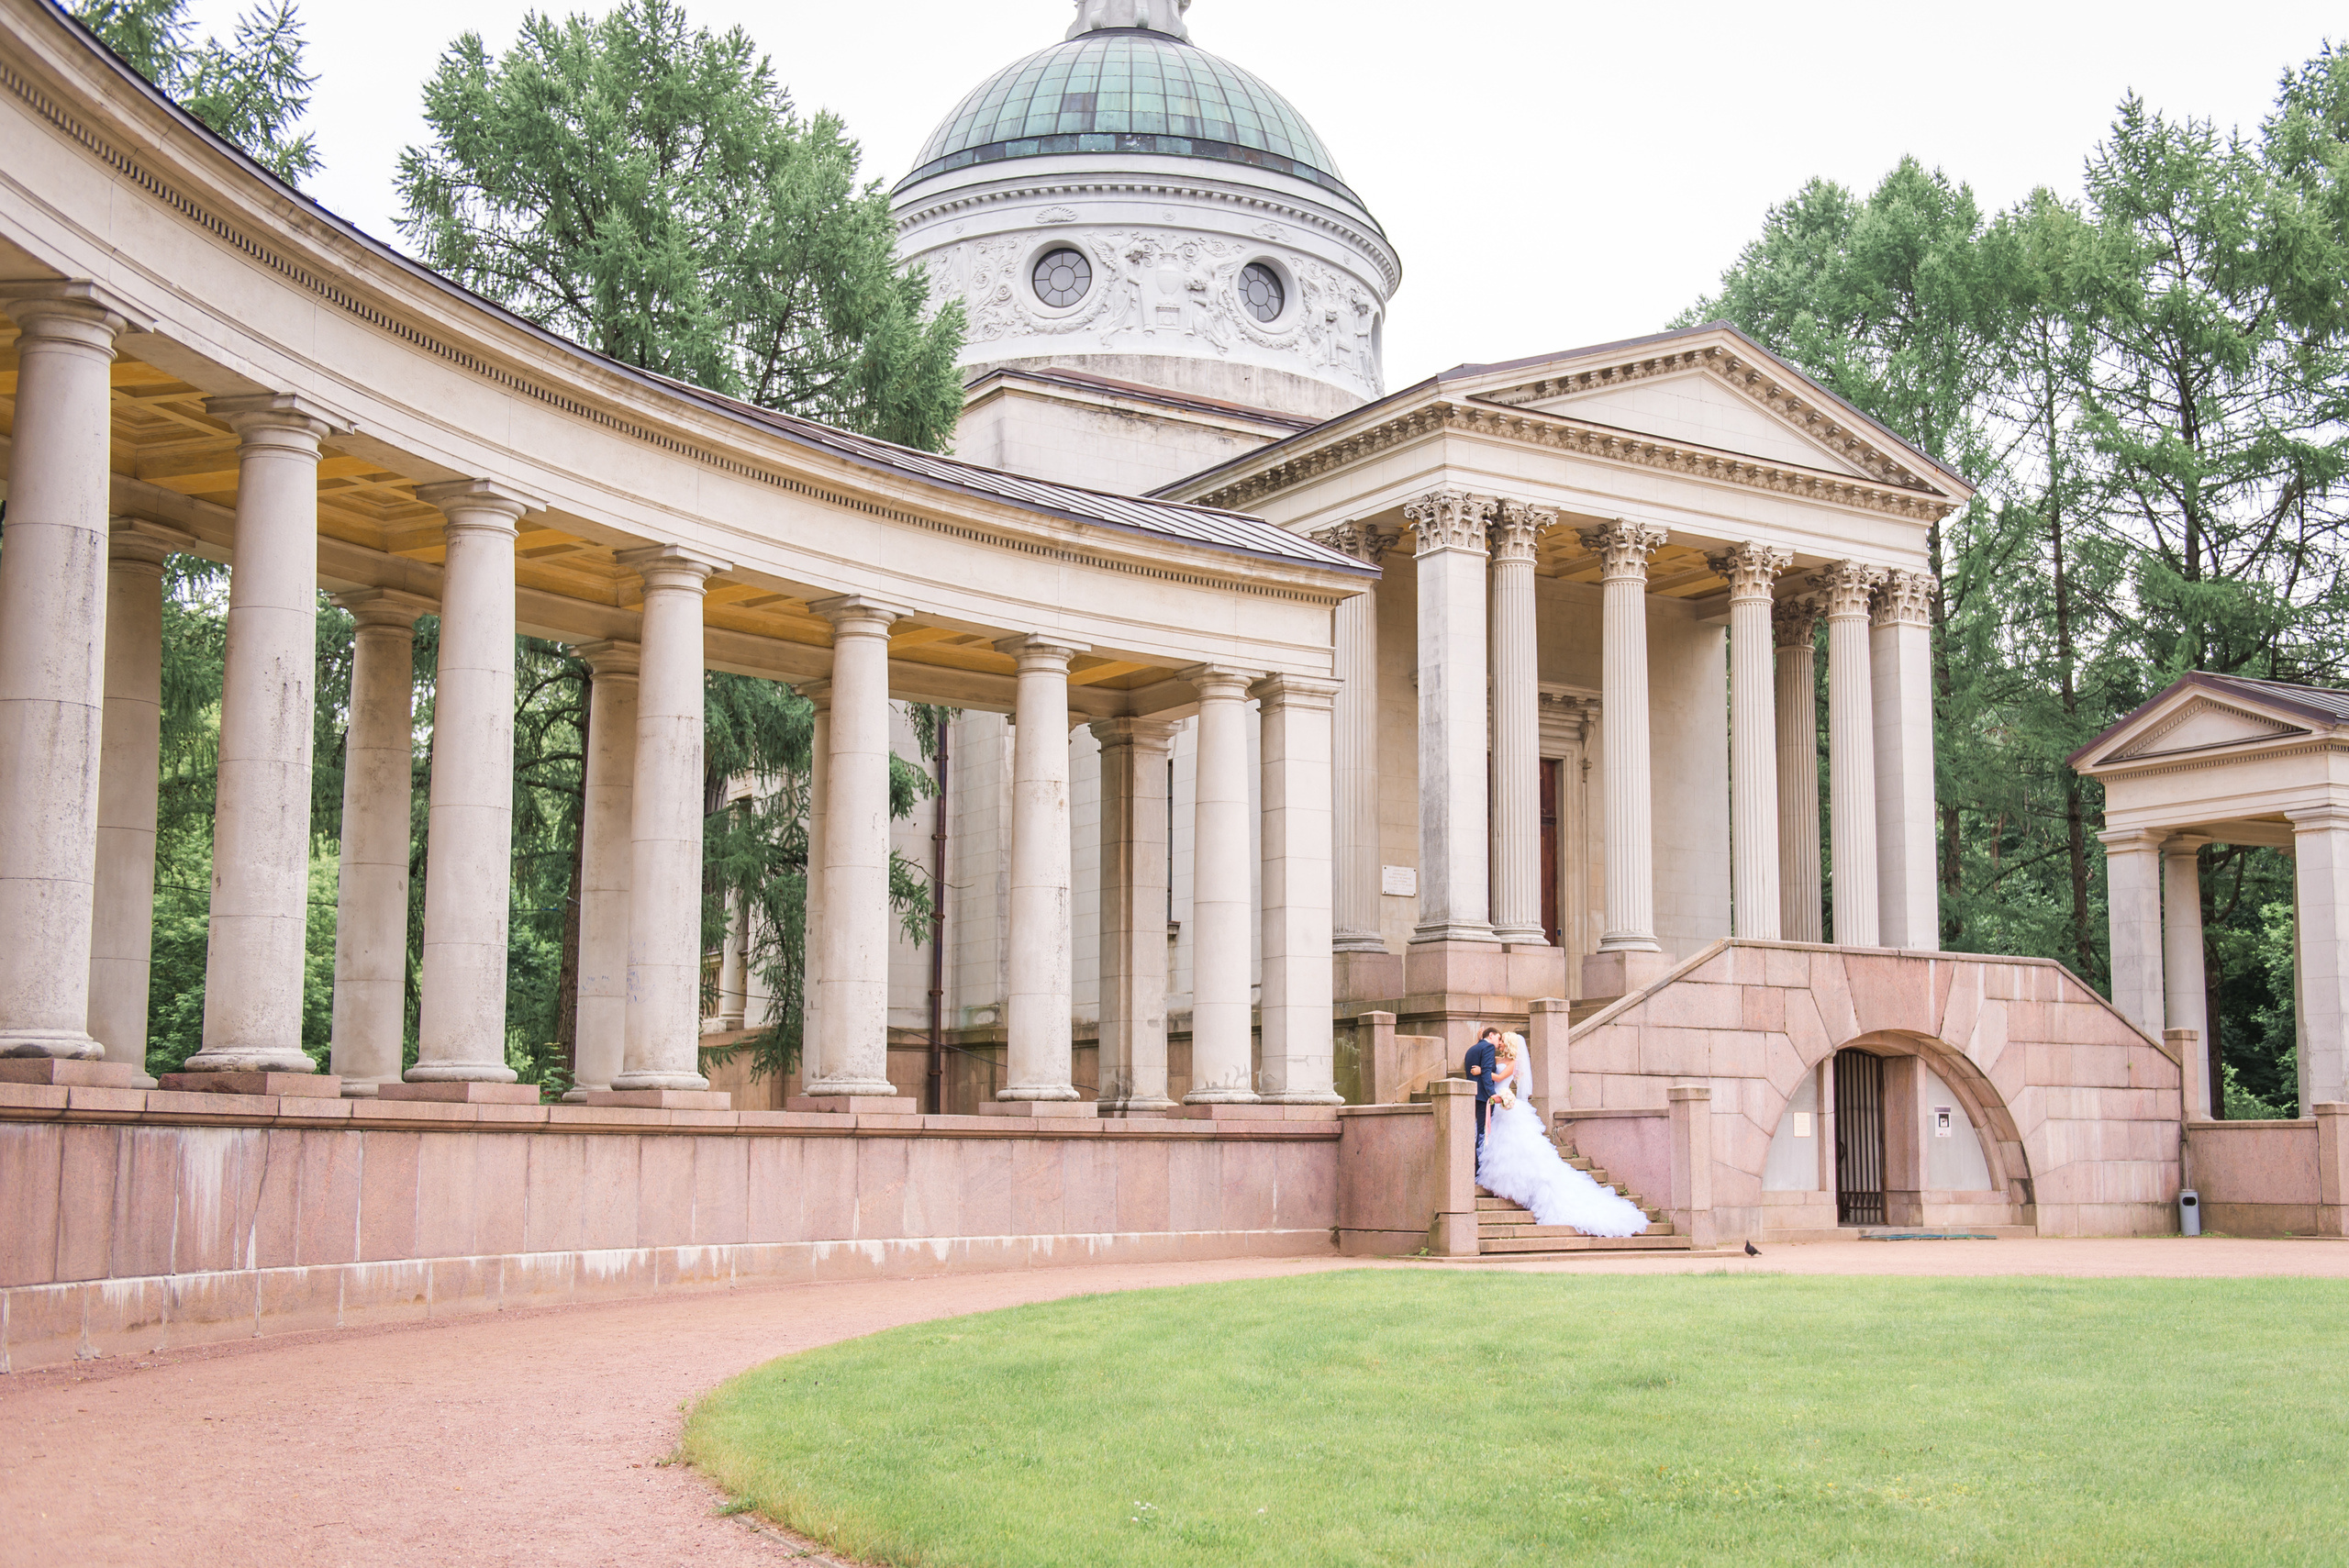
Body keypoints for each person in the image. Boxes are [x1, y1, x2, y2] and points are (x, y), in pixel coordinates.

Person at [1475, 1032, 1650, 1237]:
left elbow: (1498, 1077)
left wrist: (1483, 1073)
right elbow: (1487, 1059)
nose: (1501, 1044)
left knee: (1517, 1146)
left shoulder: (1514, 1063)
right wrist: (1480, 1042)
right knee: (1502, 1146)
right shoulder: (1498, 1059)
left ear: (1511, 1044)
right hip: (1497, 1107)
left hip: (1505, 1105)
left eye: (1504, 1041)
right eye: (1500, 1041)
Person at [1462, 1026, 1501, 1152]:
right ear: (1491, 1035)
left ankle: (1475, 1157)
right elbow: (1486, 1072)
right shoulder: (1488, 1047)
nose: (1499, 1043)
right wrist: (1492, 1093)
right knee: (1483, 1130)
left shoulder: (1472, 1049)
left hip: (1473, 1094)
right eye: (1498, 1038)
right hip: (1484, 1096)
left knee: (1477, 1129)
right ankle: (1480, 1159)